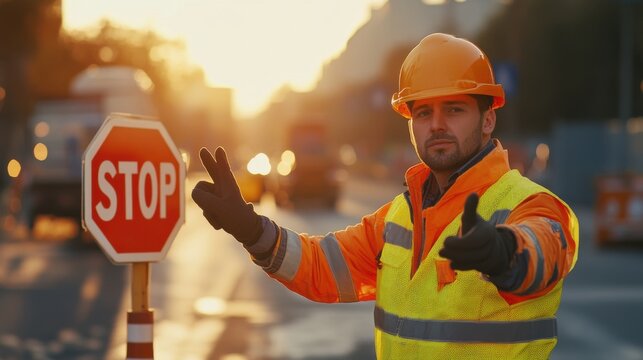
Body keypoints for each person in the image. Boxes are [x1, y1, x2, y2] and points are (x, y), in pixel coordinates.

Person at [191, 33, 579, 359]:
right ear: (411, 125)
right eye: (423, 113)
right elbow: (321, 266)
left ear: (488, 118)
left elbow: (547, 245)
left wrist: (505, 253)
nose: (437, 125)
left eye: (455, 109)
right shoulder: (399, 216)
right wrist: (252, 230)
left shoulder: (529, 203)